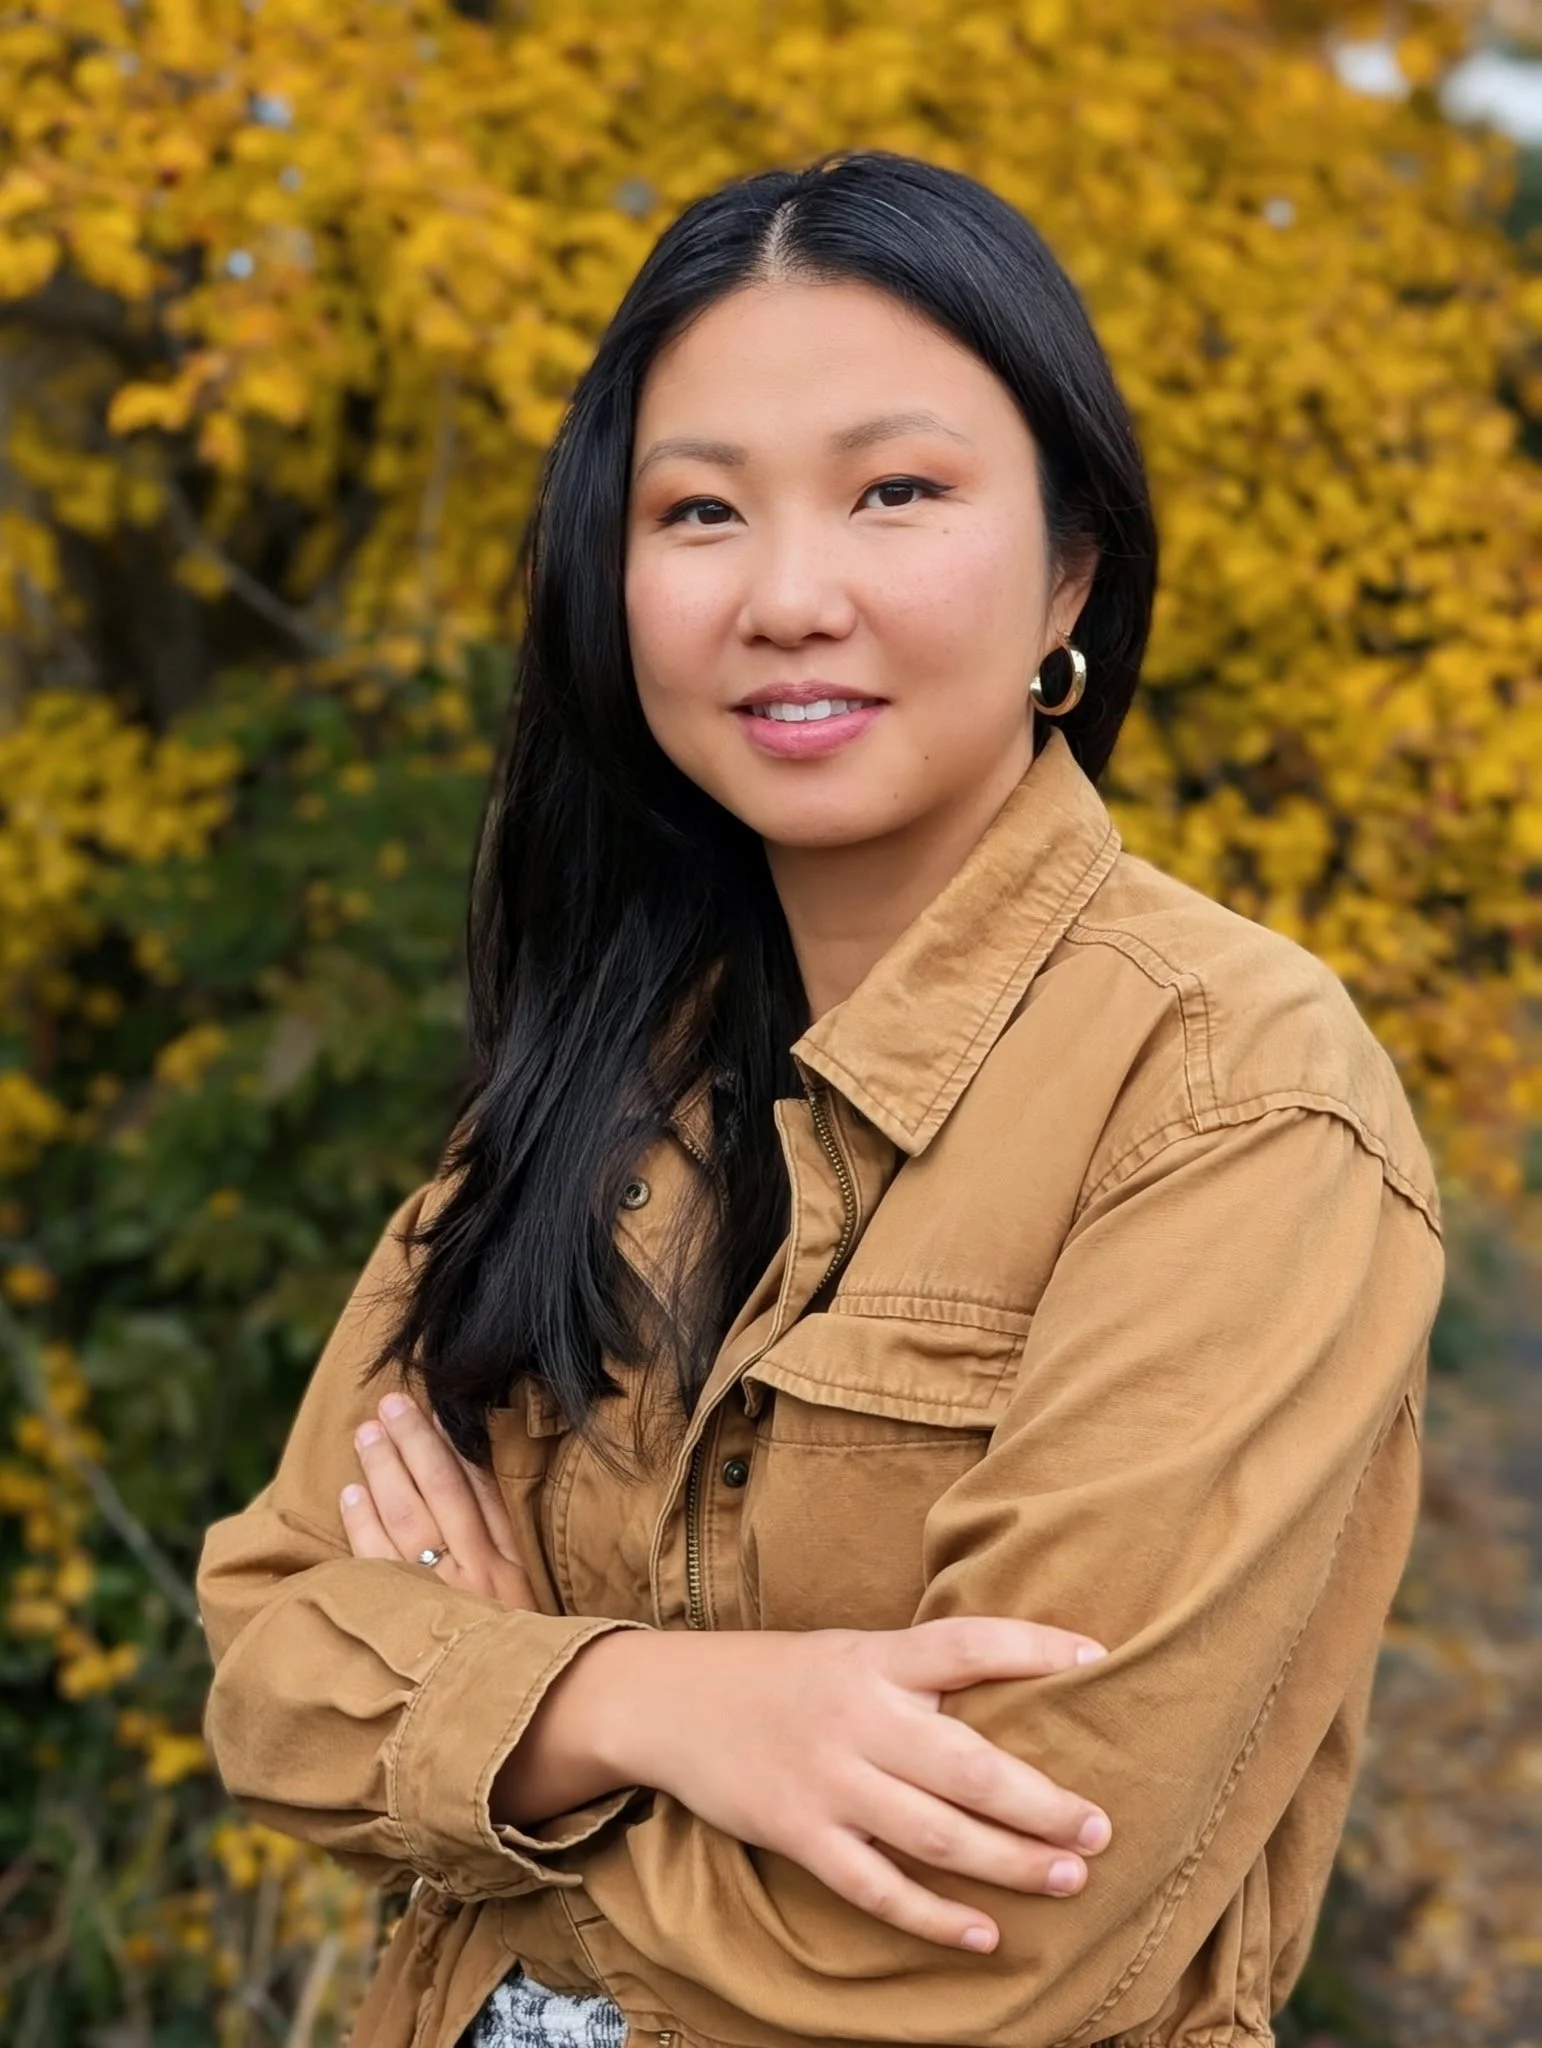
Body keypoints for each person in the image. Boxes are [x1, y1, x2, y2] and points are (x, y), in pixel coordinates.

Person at [196, 153, 1444, 2048]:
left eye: (895, 493)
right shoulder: (608, 1066)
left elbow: (980, 1919)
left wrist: (484, 1742)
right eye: (698, 510)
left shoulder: (1229, 1097)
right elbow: (276, 1668)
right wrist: (654, 1706)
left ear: (1070, 570)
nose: (787, 596)